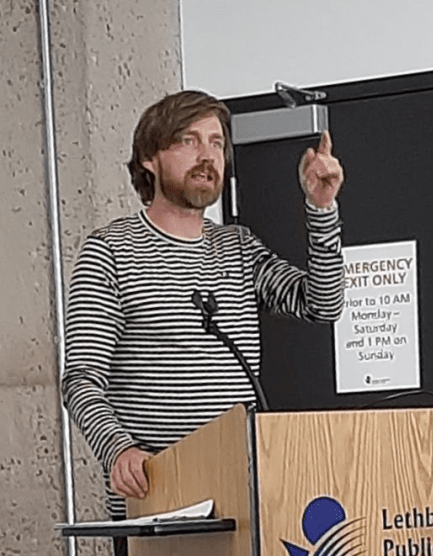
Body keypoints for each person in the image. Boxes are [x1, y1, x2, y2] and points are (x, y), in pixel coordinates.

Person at [62, 89, 345, 524]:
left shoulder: (239, 246)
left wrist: (321, 209)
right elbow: (81, 380)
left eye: (216, 143)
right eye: (188, 141)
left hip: (241, 497)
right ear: (149, 159)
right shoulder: (110, 251)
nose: (207, 155)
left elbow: (321, 304)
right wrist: (118, 449)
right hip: (156, 501)